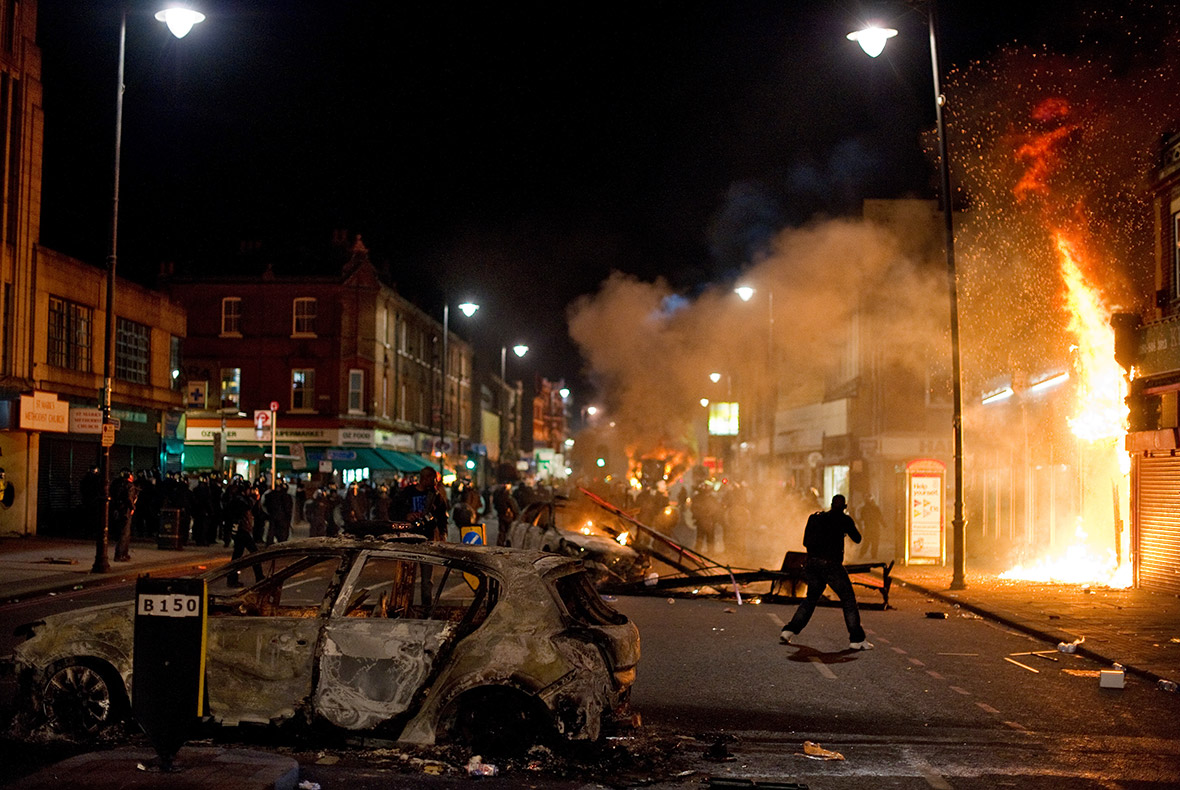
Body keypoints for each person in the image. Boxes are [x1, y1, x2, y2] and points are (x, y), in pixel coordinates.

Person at [780, 494, 873, 650]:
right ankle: (857, 640)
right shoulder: (844, 520)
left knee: (810, 599)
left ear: (830, 504)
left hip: (813, 564)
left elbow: (805, 542)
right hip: (831, 566)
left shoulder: (816, 518)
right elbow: (857, 538)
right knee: (848, 600)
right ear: (844, 507)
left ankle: (789, 630)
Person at [391, 467, 450, 604]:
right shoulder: (407, 493)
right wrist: (406, 516)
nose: (435, 482)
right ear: (426, 478)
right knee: (405, 575)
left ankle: (426, 606)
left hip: (427, 536)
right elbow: (393, 510)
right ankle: (403, 605)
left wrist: (442, 533)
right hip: (409, 537)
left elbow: (442, 516)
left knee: (427, 577)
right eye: (433, 478)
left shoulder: (435, 495)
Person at [858, 496, 884, 560]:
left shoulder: (865, 508)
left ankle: (862, 555)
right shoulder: (875, 508)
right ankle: (873, 556)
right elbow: (880, 517)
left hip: (869, 528)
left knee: (867, 542)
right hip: (874, 527)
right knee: (874, 542)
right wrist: (884, 524)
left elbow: (862, 517)